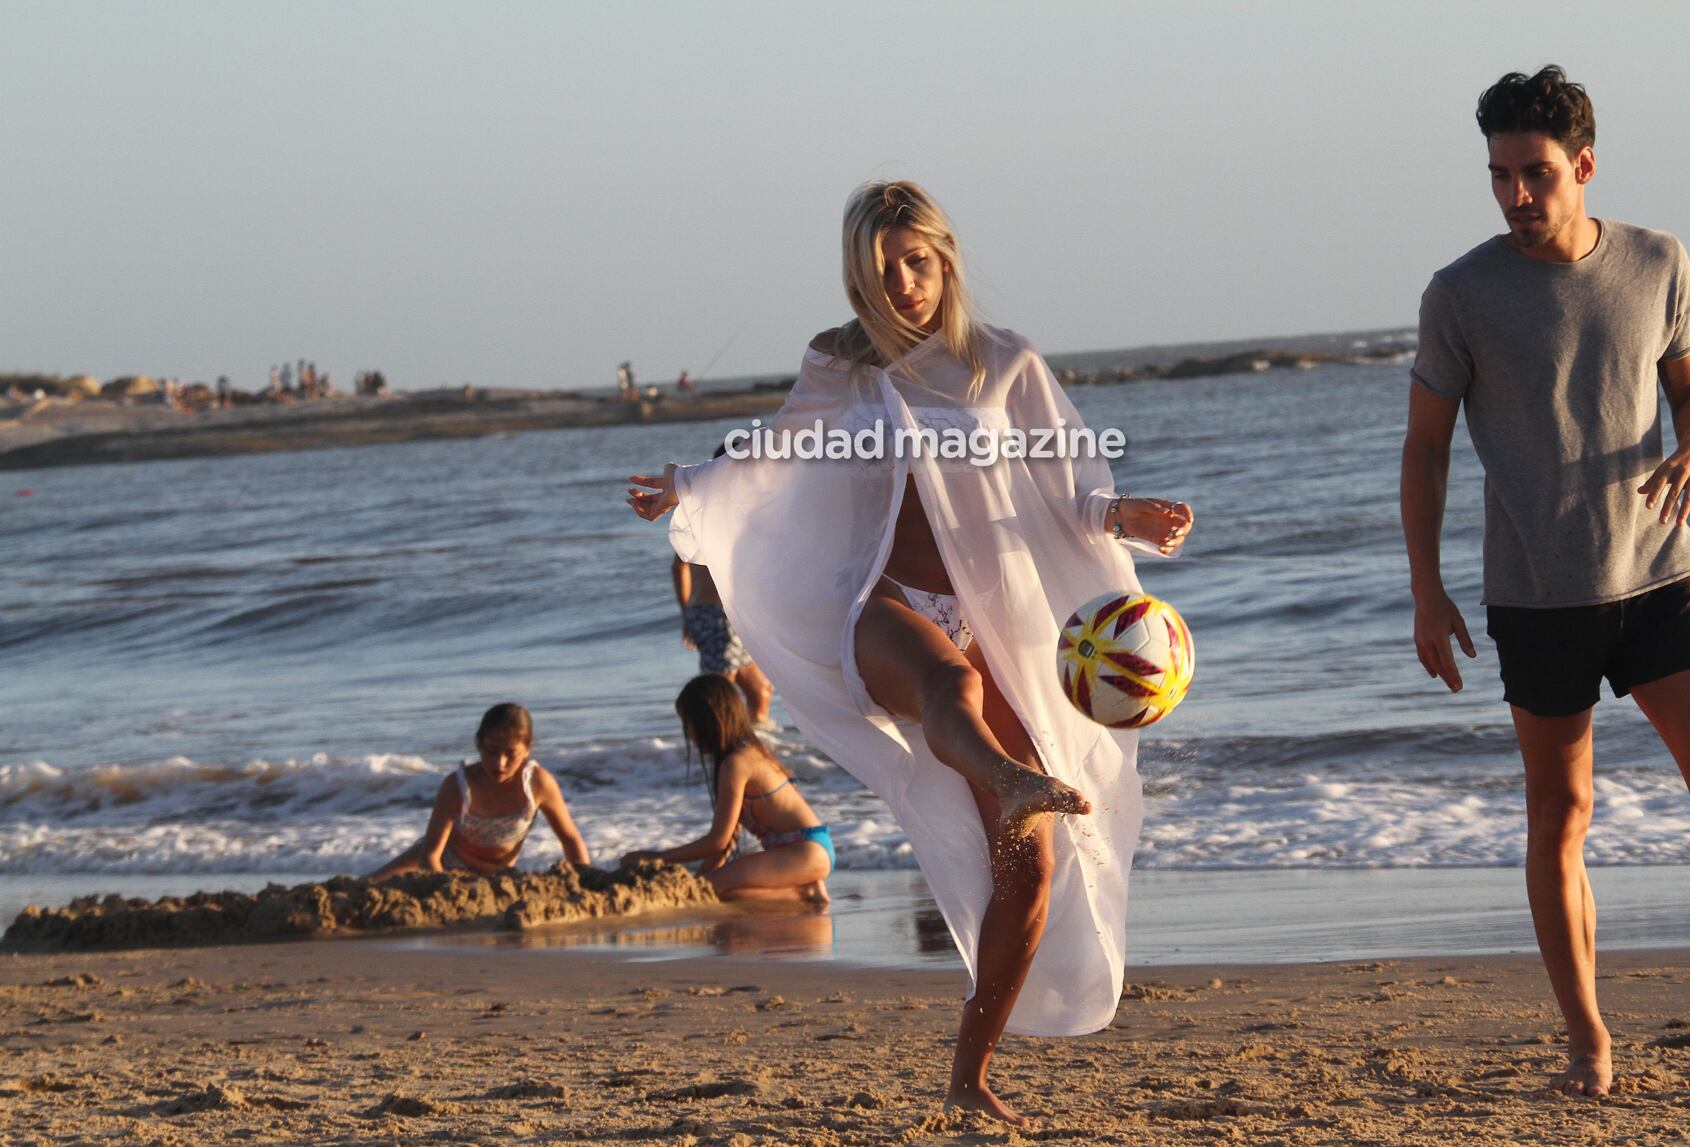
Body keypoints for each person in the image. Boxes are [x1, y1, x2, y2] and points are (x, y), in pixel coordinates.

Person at [625, 180, 1192, 1124]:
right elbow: (772, 452)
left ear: (946, 259)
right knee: (947, 682)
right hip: (882, 604)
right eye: (883, 272)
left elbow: (1059, 481)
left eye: (917, 264)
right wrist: (685, 485)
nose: (903, 287)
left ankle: (970, 1073)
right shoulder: (840, 366)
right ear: (859, 278)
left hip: (988, 613)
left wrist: (1119, 516)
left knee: (1034, 867)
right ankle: (1009, 777)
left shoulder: (1002, 363)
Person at [1401, 66, 1690, 1099]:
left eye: (1534, 173)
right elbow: (1423, 450)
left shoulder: (1657, 261)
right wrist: (1424, 587)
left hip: (1660, 574)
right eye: (1498, 175)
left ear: (1582, 166)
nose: (1514, 196)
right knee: (1559, 813)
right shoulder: (1460, 293)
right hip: (1537, 593)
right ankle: (1587, 1043)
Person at [621, 674, 832, 902]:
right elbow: (727, 842)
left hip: (805, 851)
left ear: (708, 722)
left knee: (709, 891)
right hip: (802, 852)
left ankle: (804, 893)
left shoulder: (738, 763)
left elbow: (717, 841)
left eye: (688, 725)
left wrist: (657, 858)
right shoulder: (743, 755)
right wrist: (701, 878)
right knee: (708, 889)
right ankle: (801, 891)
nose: (688, 735)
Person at [367, 703, 590, 880]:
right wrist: (448, 887)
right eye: (491, 751)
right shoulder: (458, 785)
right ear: (478, 744)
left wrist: (584, 881)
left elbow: (571, 841)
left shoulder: (538, 783)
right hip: (437, 868)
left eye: (510, 754)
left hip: (495, 877)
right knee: (362, 889)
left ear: (528, 749)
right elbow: (430, 856)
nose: (499, 763)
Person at [673, 445, 774, 725]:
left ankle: (758, 748)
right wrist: (687, 614)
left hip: (736, 616)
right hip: (716, 614)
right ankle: (724, 753)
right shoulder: (706, 508)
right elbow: (680, 564)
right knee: (720, 701)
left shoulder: (749, 508)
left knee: (761, 692)